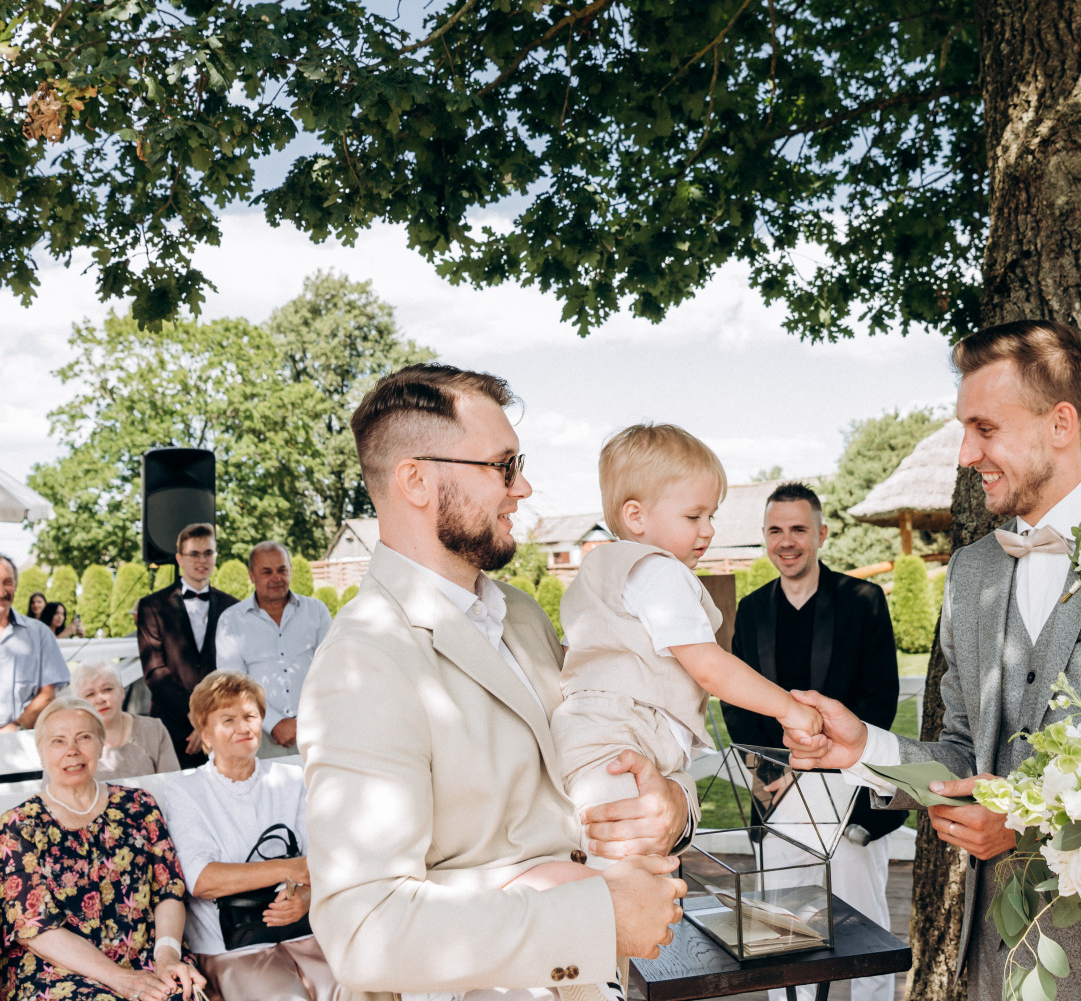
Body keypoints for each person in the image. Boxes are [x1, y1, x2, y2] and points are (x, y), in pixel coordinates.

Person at [786, 320, 1081, 1001]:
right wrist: (862, 747)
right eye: (963, 430)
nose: (963, 454)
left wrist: (1023, 830)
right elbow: (962, 752)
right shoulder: (971, 573)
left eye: (984, 429)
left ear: (1060, 424)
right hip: (996, 963)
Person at [299, 363, 691, 1001]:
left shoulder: (523, 614)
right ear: (417, 480)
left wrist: (671, 805)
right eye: (503, 466)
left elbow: (605, 748)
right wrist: (598, 917)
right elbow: (366, 932)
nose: (525, 486)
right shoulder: (363, 662)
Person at [549, 423, 821, 872]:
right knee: (632, 880)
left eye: (711, 516)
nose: (709, 530)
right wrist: (790, 710)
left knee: (609, 875)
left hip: (588, 740)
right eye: (694, 517)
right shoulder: (661, 572)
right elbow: (711, 668)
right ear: (636, 516)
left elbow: (569, 659)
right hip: (623, 742)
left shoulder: (597, 572)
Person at [722, 481, 901, 1001]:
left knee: (865, 932)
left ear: (821, 533)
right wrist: (773, 771)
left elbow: (880, 698)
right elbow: (737, 704)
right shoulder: (753, 610)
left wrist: (823, 760)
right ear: (764, 537)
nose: (787, 541)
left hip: (850, 791)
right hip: (778, 793)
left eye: (798, 528)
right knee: (782, 933)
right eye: (775, 530)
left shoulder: (864, 600)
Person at [0, 696, 208, 1001]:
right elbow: (35, 929)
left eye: (83, 737)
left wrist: (166, 957)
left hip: (148, 958)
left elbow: (169, 891)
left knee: (181, 993)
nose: (72, 750)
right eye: (58, 741)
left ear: (101, 744)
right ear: (42, 753)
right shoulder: (20, 826)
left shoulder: (139, 805)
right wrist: (119, 979)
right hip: (58, 972)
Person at [162, 670, 336, 1001]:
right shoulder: (186, 792)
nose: (243, 727)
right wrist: (291, 869)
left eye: (250, 716)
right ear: (206, 735)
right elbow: (202, 879)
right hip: (230, 944)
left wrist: (307, 899)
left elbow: (322, 860)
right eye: (227, 719)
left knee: (357, 985)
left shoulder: (292, 779)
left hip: (303, 929)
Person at [215, 541, 333, 759]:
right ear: (252, 575)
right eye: (266, 572)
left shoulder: (316, 612)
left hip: (315, 730)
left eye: (282, 570)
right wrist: (275, 722)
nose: (276, 578)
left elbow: (331, 670)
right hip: (257, 735)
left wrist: (305, 721)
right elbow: (233, 685)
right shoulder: (231, 621)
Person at [138, 522, 239, 768]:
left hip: (221, 726)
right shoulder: (152, 606)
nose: (201, 560)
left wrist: (210, 721)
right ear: (179, 558)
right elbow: (155, 673)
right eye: (194, 553)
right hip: (172, 727)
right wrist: (196, 718)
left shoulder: (233, 607)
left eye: (208, 553)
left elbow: (235, 671)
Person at [70, 660, 180, 778]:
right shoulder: (70, 742)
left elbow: (174, 783)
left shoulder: (153, 730)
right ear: (79, 703)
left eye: (107, 689)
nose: (100, 699)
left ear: (122, 692)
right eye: (90, 694)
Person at [0, 553, 70, 733]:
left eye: (7, 582)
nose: (1, 592)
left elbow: (47, 695)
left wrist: (17, 726)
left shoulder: (39, 633)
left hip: (21, 740)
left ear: (15, 586)